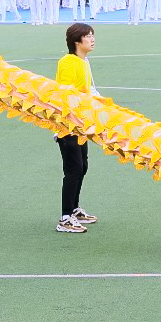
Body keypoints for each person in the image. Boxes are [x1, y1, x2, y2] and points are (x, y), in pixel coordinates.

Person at [55, 22, 102, 233]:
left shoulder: (84, 61)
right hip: (69, 125)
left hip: (82, 125)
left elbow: (90, 89)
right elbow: (66, 94)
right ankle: (64, 218)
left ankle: (74, 210)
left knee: (82, 166)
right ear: (77, 41)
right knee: (73, 170)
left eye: (92, 35)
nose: (92, 39)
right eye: (88, 36)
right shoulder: (67, 62)